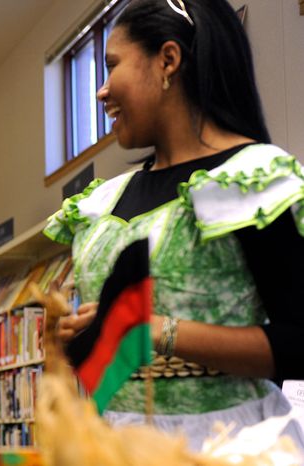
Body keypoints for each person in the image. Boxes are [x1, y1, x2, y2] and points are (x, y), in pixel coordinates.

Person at [45, 0, 304, 450]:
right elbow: (114, 358)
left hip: (225, 445)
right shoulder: (105, 200)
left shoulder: (251, 181)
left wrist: (155, 330)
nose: (102, 91)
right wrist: (82, 339)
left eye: (112, 66)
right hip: (113, 446)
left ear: (168, 59)